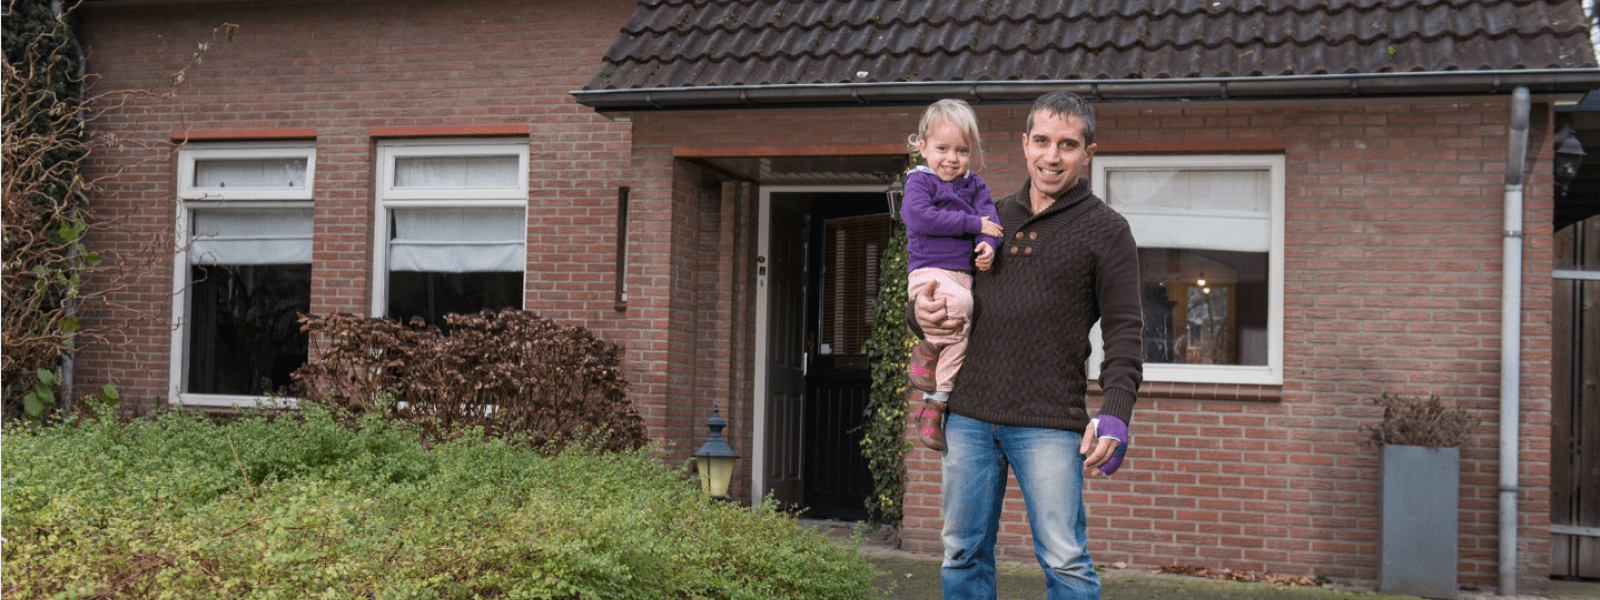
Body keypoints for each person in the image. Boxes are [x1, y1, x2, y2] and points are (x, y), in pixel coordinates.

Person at [912, 91, 1144, 600]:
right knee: (962, 553)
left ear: (1088, 153)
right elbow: (945, 284)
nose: (1051, 156)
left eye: (1067, 144)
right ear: (1024, 144)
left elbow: (1125, 329)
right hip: (969, 415)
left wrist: (1116, 411)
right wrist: (919, 314)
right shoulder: (989, 216)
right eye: (1041, 141)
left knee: (1065, 561)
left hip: (1050, 422)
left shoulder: (1107, 231)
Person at [899, 98, 1004, 453]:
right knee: (961, 305)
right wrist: (973, 225)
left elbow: (991, 220)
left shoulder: (975, 185)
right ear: (923, 146)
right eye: (942, 148)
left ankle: (935, 405)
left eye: (962, 150)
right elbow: (920, 217)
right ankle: (928, 347)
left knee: (960, 334)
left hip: (962, 276)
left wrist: (988, 244)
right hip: (929, 271)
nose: (952, 158)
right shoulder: (920, 181)